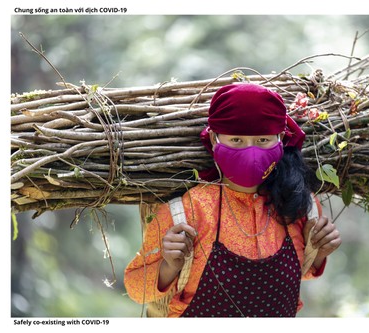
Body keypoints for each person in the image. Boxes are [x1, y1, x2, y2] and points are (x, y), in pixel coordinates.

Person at [124, 83, 341, 317]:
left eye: (263, 140)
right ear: (215, 139)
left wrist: (319, 252)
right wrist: (168, 267)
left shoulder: (299, 204)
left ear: (280, 139)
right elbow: (136, 290)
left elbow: (300, 274)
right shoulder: (188, 211)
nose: (251, 152)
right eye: (236, 140)